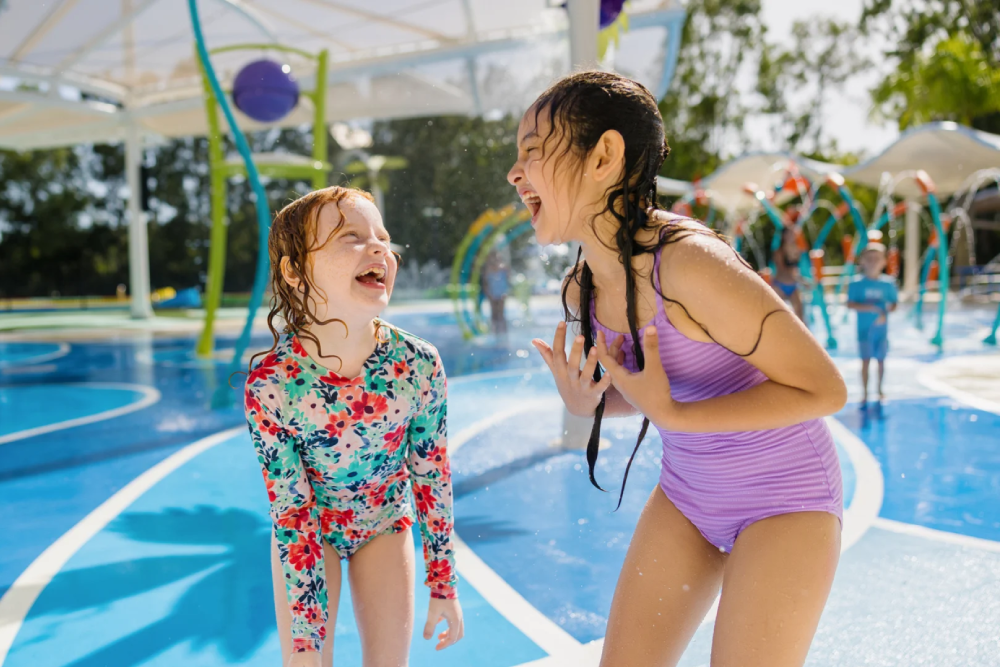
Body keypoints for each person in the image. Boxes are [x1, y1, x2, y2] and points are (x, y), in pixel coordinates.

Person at [509, 72, 847, 667]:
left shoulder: (688, 266)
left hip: (786, 501)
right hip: (689, 497)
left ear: (604, 156)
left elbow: (824, 389)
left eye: (533, 151)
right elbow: (650, 393)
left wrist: (673, 414)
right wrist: (592, 403)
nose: (515, 173)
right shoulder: (581, 288)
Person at [243, 186, 463, 667]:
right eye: (351, 237)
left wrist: (444, 584)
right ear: (295, 272)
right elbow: (292, 513)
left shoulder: (418, 365)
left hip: (384, 522)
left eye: (383, 237)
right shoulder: (273, 387)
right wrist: (304, 644)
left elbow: (432, 476)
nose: (380, 248)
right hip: (312, 531)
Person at [846, 242, 898, 407]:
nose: (873, 262)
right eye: (869, 258)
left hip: (881, 331)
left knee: (881, 361)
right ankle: (865, 392)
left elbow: (894, 303)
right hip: (864, 331)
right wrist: (872, 308)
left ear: (884, 262)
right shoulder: (856, 284)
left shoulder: (888, 284)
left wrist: (887, 310)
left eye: (877, 258)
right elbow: (850, 304)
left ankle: (880, 389)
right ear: (862, 261)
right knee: (865, 361)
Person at [773, 225, 805, 321]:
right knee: (777, 314)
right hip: (780, 285)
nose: (791, 236)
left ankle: (802, 335)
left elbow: (795, 271)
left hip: (793, 285)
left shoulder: (797, 250)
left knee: (800, 314)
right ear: (783, 236)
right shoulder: (778, 252)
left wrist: (803, 281)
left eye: (792, 234)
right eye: (789, 234)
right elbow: (783, 270)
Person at [481, 251, 510, 334]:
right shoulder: (488, 270)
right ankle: (495, 331)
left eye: (497, 258)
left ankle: (503, 331)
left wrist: (506, 292)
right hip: (492, 293)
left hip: (501, 293)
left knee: (501, 313)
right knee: (494, 313)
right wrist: (488, 293)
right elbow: (485, 283)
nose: (495, 260)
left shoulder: (504, 268)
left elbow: (507, 280)